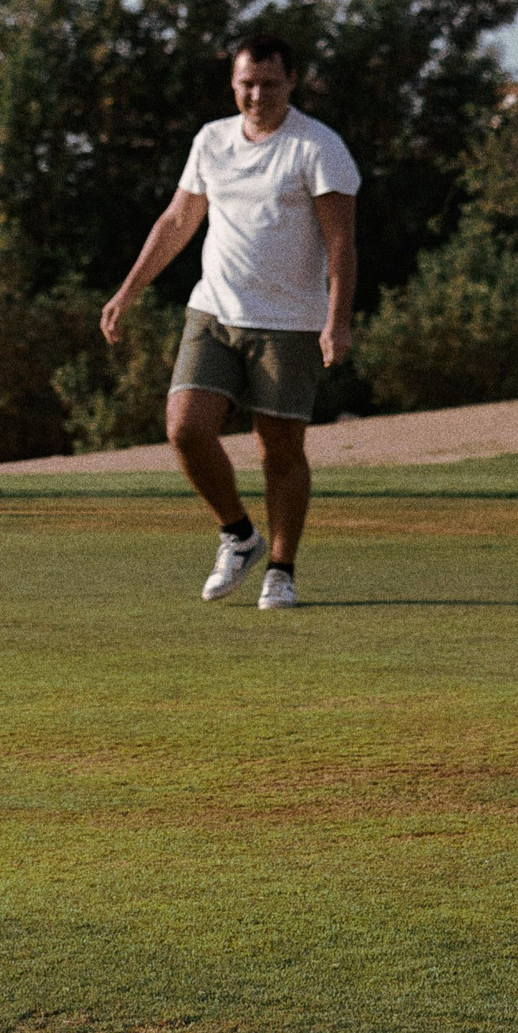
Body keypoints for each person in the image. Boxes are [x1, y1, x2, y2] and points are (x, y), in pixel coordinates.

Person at [100, 34, 360, 610]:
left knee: (280, 451)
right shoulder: (211, 141)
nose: (257, 94)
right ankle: (239, 535)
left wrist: (337, 320)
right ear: (233, 83)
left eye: (269, 83)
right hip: (213, 309)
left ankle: (281, 570)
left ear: (291, 82)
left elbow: (341, 245)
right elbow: (177, 219)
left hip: (288, 322)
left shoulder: (319, 148)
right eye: (247, 83)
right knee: (185, 429)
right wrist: (127, 291)